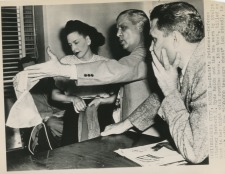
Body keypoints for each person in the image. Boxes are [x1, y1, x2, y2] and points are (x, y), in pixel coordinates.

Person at [100, 2, 208, 164]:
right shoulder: (190, 62)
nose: (150, 48)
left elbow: (195, 151)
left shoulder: (208, 72)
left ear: (175, 39)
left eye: (155, 40)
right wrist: (126, 123)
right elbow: (159, 97)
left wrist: (171, 92)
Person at [25, 9, 160, 136]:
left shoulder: (144, 56)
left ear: (140, 27)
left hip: (144, 132)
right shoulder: (133, 56)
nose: (118, 33)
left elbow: (113, 69)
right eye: (117, 29)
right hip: (130, 126)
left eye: (123, 28)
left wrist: (64, 69)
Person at [46, 20, 116, 146]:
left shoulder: (105, 63)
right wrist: (73, 99)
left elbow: (116, 97)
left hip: (102, 110)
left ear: (88, 40)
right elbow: (54, 95)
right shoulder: (66, 62)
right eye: (70, 44)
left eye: (76, 42)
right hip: (74, 112)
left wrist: (101, 100)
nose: (73, 48)